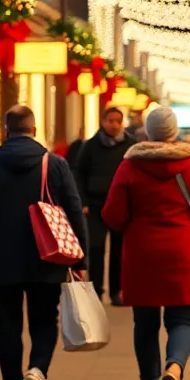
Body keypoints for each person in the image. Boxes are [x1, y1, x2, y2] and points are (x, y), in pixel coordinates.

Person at [0, 105, 90, 380]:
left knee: (7, 326)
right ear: (34, 130)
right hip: (46, 256)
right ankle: (36, 370)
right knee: (45, 321)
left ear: (6, 130)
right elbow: (74, 211)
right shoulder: (56, 165)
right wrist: (80, 257)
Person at [101, 105, 190, 380]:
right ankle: (174, 368)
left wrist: (132, 225)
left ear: (148, 132)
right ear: (174, 131)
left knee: (145, 323)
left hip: (141, 253)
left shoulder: (129, 167)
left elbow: (112, 214)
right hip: (185, 250)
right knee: (182, 321)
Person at [73, 106, 137, 305]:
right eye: (110, 121)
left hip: (121, 205)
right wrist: (82, 201)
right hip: (95, 205)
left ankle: (117, 292)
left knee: (119, 249)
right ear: (103, 122)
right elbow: (79, 173)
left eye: (118, 121)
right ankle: (97, 291)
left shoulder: (131, 146)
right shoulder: (90, 146)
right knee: (96, 248)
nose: (114, 125)